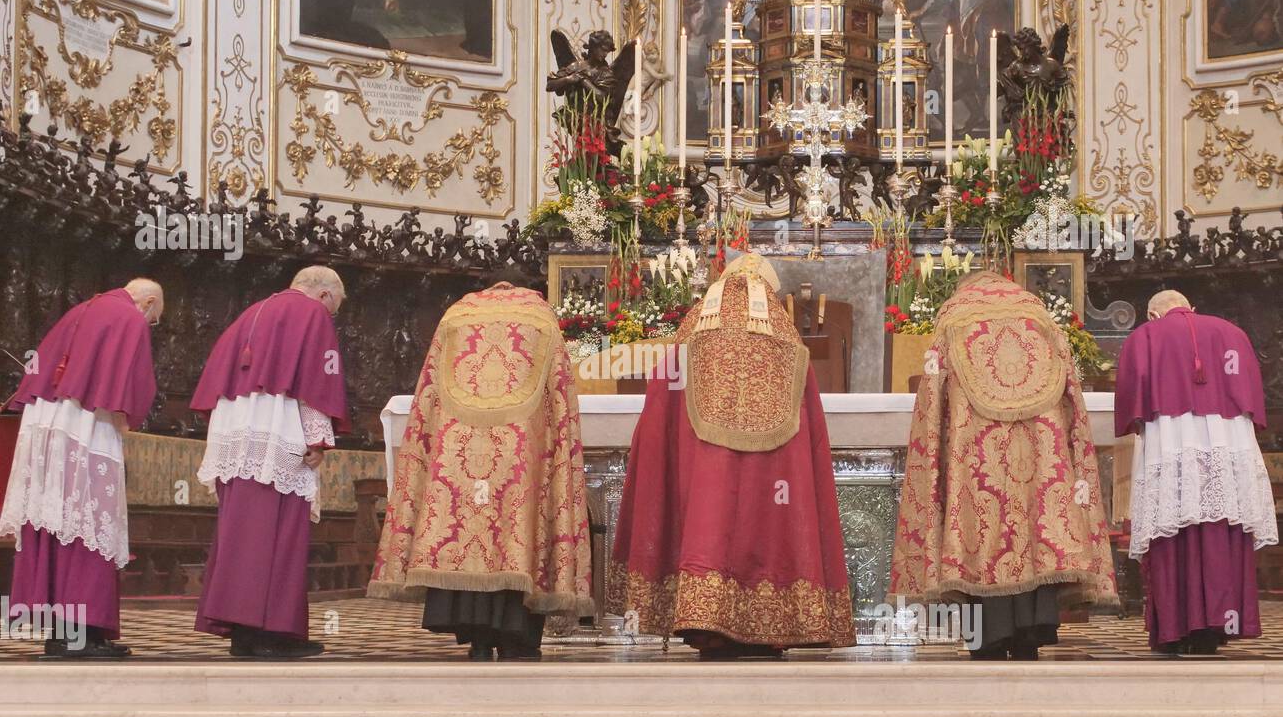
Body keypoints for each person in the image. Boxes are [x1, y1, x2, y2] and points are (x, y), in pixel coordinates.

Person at [612, 253, 855, 659]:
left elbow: (660, 410)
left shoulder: (693, 334)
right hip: (776, 485)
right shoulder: (786, 340)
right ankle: (771, 626)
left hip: (704, 473)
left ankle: (707, 624)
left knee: (710, 518)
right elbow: (810, 428)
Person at [890, 271, 1117, 659]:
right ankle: (1032, 630)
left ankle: (989, 637)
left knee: (984, 526)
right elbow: (1072, 399)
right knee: (1035, 520)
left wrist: (938, 452)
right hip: (1041, 448)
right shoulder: (1041, 321)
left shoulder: (954, 321)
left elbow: (932, 402)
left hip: (975, 451)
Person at [369, 281, 592, 660]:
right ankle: (515, 638)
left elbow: (428, 394)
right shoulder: (540, 318)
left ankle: (476, 636)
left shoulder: (455, 315)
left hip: (458, 442)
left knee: (465, 529)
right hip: (520, 445)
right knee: (514, 530)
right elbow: (560, 398)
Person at [0, 279, 163, 658]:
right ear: (148, 302)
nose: (150, 325)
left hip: (46, 424)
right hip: (86, 426)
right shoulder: (128, 316)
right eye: (155, 319)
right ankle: (80, 635)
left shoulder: (81, 310)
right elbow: (133, 388)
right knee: (89, 524)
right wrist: (128, 413)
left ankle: (66, 633)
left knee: (59, 524)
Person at [191, 267, 349, 659]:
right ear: (326, 296)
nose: (330, 317)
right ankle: (269, 634)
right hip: (278, 431)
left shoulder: (252, 312)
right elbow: (317, 381)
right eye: (335, 310)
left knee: (242, 534)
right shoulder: (312, 313)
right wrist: (318, 440)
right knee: (276, 535)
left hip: (236, 435)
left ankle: (244, 632)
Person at [1116, 290, 1276, 655]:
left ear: (1154, 316)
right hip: (1227, 442)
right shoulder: (1232, 334)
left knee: (1173, 529)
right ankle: (1218, 625)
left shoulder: (1145, 336)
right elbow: (1252, 393)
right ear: (1191, 308)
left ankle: (1175, 627)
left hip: (1171, 441)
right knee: (1223, 528)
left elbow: (1130, 394)